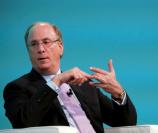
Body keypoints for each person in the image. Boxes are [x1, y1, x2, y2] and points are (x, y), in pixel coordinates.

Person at [3, 22, 137, 133]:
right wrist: (57, 81)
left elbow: (126, 123)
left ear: (60, 47)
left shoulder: (84, 85)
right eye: (34, 44)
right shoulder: (17, 88)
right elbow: (22, 123)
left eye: (46, 42)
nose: (41, 49)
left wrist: (118, 93)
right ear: (28, 51)